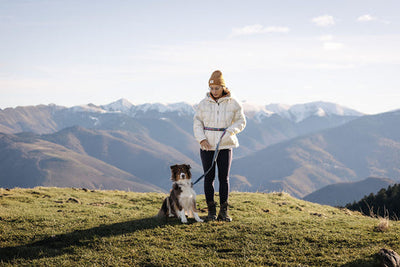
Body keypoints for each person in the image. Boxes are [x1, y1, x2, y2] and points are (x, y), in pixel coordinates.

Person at [193, 70, 246, 222]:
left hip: (225, 145)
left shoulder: (233, 102)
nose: (214, 91)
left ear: (223, 87)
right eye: (211, 88)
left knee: (224, 178)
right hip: (207, 146)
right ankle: (211, 212)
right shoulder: (203, 104)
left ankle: (224, 212)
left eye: (217, 88)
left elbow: (241, 122)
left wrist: (230, 130)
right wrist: (201, 139)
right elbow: (197, 123)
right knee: (208, 177)